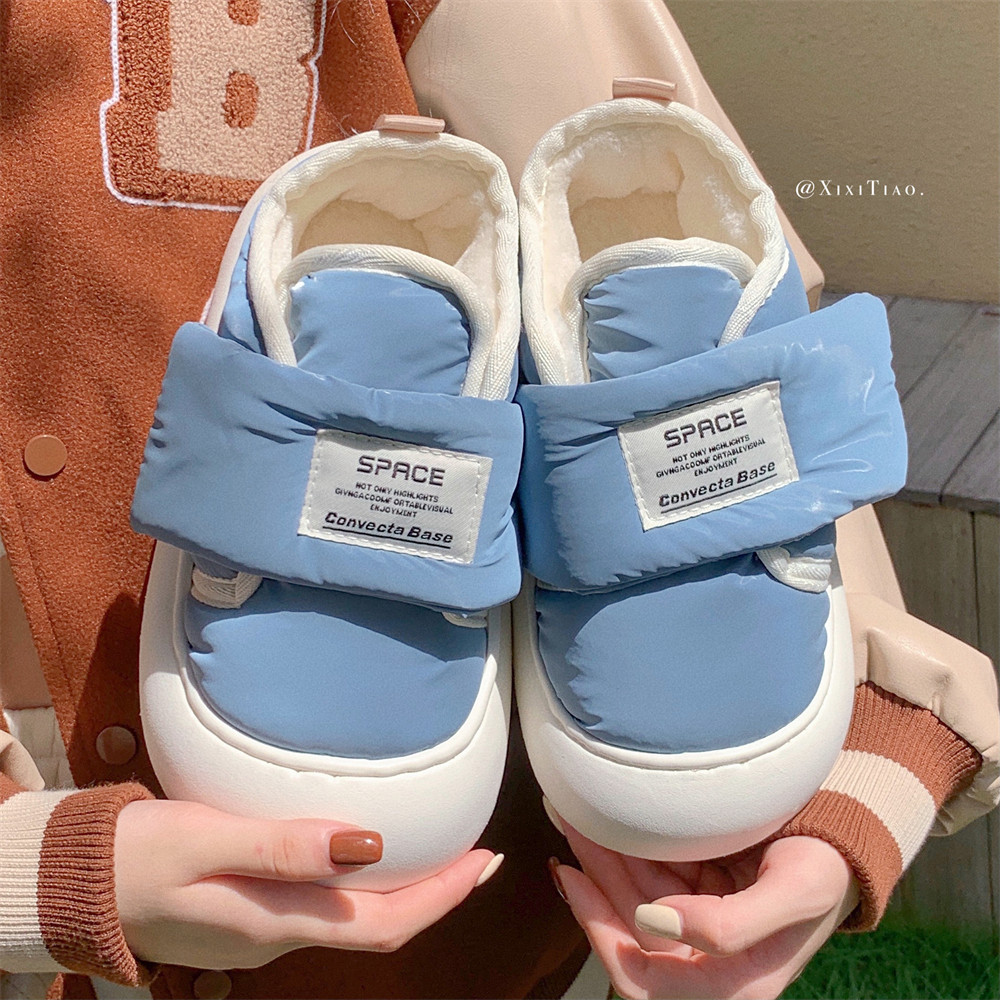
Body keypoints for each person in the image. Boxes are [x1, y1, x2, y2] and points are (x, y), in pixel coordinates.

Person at [0, 2, 995, 998]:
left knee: (663, 264)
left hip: (491, 940)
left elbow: (685, 263)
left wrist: (870, 749)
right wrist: (23, 871)